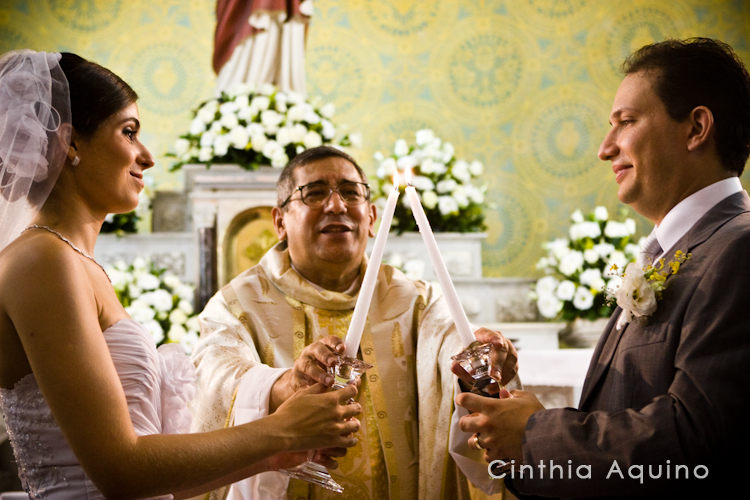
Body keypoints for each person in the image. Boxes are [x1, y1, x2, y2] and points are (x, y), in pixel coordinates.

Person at [0, 50, 362, 499]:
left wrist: (273, 456)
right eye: (128, 132)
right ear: (70, 142)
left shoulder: (76, 264)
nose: (146, 156)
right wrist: (279, 431)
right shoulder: (43, 261)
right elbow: (119, 470)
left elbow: (157, 475)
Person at [454, 37, 750, 498]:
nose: (605, 148)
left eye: (625, 122)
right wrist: (506, 416)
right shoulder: (669, 254)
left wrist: (534, 435)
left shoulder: (739, 248)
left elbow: (698, 443)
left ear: (696, 128)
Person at [191, 145, 519, 499]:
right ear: (280, 222)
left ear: (373, 217)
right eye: (314, 193)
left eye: (351, 193)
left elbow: (452, 343)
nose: (336, 206)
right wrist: (283, 386)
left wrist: (479, 363)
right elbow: (215, 375)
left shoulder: (418, 301)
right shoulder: (238, 304)